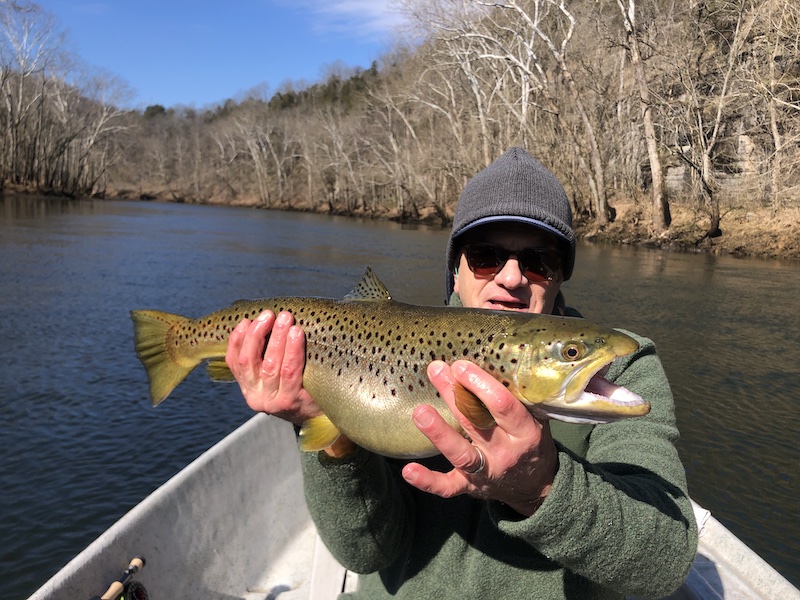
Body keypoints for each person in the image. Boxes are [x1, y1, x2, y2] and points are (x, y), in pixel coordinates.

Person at [225, 147, 698, 599]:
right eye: (487, 256)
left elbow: (665, 562)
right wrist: (328, 430)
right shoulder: (400, 349)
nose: (511, 278)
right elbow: (365, 554)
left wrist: (540, 488)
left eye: (537, 261)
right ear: (455, 270)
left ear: (560, 275)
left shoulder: (619, 364)